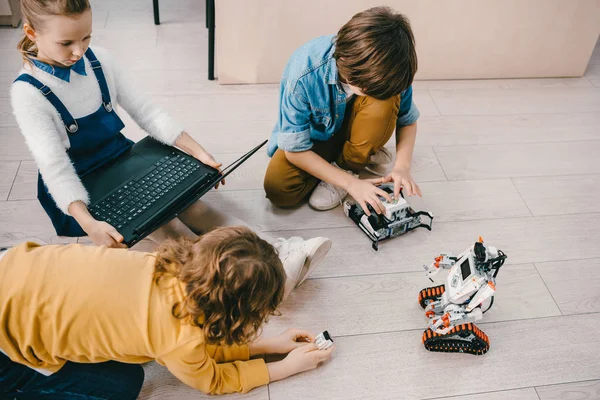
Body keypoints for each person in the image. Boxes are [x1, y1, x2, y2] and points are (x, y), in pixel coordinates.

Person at [10, 0, 332, 290]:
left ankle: (277, 251)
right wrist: (89, 224)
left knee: (194, 204)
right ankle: (249, 281)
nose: (80, 51)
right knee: (169, 229)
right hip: (81, 191)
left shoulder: (100, 61)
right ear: (31, 32)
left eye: (87, 37)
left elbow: (148, 112)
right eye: (66, 43)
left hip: (123, 159)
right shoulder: (28, 94)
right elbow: (55, 168)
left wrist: (197, 152)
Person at [0, 227, 335, 398]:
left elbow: (193, 341)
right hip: (6, 346)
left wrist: (268, 346)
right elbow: (213, 381)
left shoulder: (160, 263)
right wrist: (286, 368)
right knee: (124, 384)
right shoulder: (179, 340)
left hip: (12, 262)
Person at [264, 6, 423, 215]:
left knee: (385, 101)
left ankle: (352, 160)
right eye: (369, 90)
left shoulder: (391, 68)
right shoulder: (303, 74)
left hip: (357, 122)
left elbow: (407, 120)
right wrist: (350, 184)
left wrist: (402, 167)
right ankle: (359, 153)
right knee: (279, 189)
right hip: (316, 136)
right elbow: (295, 150)